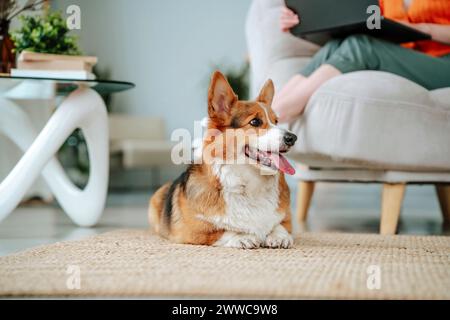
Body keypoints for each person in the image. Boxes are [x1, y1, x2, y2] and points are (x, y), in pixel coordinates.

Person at [273, 0, 450, 123]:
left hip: (444, 65)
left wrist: (422, 29)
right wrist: (302, 20)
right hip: (407, 58)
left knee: (361, 46)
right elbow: (373, 22)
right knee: (337, 44)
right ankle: (266, 110)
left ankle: (277, 115)